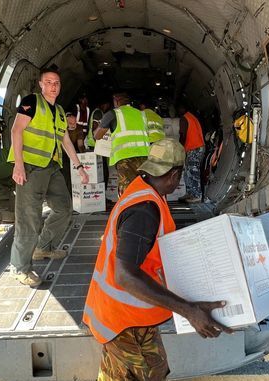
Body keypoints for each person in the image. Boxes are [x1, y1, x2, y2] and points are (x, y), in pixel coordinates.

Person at [83, 138, 232, 381]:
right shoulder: (144, 209)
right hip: (125, 321)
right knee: (146, 374)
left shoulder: (144, 189)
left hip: (128, 316)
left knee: (129, 373)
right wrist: (189, 311)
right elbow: (125, 276)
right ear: (175, 174)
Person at [7, 68, 89, 287]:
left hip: (52, 167)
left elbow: (65, 141)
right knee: (29, 219)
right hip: (31, 167)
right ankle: (19, 267)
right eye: (49, 82)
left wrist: (79, 167)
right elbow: (16, 131)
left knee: (64, 208)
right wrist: (19, 164)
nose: (54, 86)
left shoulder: (60, 111)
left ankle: (43, 247)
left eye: (57, 83)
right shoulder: (31, 102)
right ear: (41, 85)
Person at [95, 92, 150, 195]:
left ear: (116, 101)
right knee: (143, 186)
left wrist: (102, 124)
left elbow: (97, 136)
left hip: (125, 157)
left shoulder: (113, 113)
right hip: (144, 155)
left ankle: (129, 210)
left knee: (127, 189)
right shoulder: (141, 114)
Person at [177, 105, 205, 203]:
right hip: (197, 147)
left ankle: (196, 195)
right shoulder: (192, 117)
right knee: (188, 172)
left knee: (193, 172)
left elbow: (182, 135)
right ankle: (190, 193)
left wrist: (179, 148)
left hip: (194, 148)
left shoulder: (184, 118)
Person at [87, 100, 112, 184]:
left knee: (101, 172)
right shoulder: (98, 113)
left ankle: (102, 193)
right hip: (95, 147)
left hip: (96, 146)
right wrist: (99, 143)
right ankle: (102, 193)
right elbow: (95, 129)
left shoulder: (99, 112)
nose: (107, 106)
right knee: (102, 173)